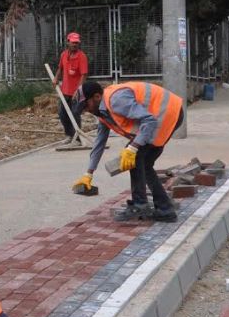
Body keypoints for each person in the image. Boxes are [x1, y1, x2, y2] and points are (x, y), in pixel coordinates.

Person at [70, 81, 184, 222]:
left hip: (167, 112)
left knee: (134, 156)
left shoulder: (116, 100)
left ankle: (140, 205)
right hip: (166, 113)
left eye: (86, 105)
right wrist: (88, 173)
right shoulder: (103, 113)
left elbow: (149, 120)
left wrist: (132, 147)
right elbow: (99, 143)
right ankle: (165, 209)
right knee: (144, 163)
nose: (86, 110)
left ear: (97, 96)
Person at [53, 32, 89, 143]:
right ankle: (69, 135)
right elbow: (60, 68)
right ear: (68, 42)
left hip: (76, 92)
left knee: (75, 113)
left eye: (77, 43)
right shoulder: (64, 55)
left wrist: (78, 91)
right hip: (65, 90)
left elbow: (84, 74)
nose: (75, 44)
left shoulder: (81, 56)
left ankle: (77, 138)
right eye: (73, 42)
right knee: (62, 113)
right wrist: (56, 78)